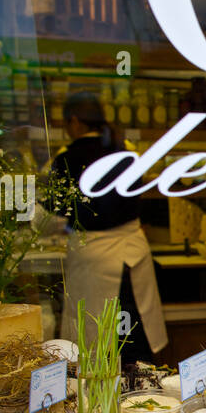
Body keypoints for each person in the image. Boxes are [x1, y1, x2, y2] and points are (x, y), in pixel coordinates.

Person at [48, 91, 168, 361]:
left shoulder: (66, 159)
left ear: (75, 121)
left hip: (94, 260)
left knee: (96, 347)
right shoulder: (126, 153)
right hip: (132, 256)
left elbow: (53, 217)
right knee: (134, 339)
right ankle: (142, 393)